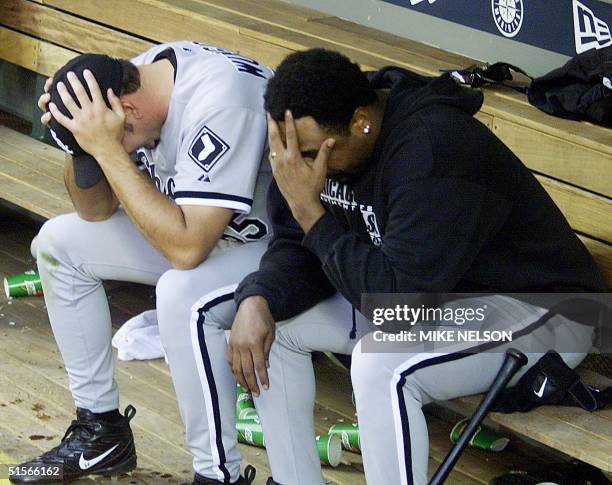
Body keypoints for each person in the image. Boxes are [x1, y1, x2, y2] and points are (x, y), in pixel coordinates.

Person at [223, 49, 606, 485]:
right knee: (276, 328)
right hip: (443, 297)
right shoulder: (327, 140)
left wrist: (310, 211)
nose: (299, 170)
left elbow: (399, 308)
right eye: (288, 156)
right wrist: (260, 296)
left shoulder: (434, 148)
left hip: (548, 310)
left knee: (380, 365)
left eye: (309, 154)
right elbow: (300, 244)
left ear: (361, 121)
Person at [10, 41, 273, 485]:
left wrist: (110, 150)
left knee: (182, 294)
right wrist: (86, 139)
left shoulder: (221, 100)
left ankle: (217, 475)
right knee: (58, 242)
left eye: (114, 136)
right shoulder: (123, 88)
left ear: (127, 109)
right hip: (199, 231)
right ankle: (101, 431)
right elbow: (93, 211)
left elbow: (188, 250)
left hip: (274, 250)